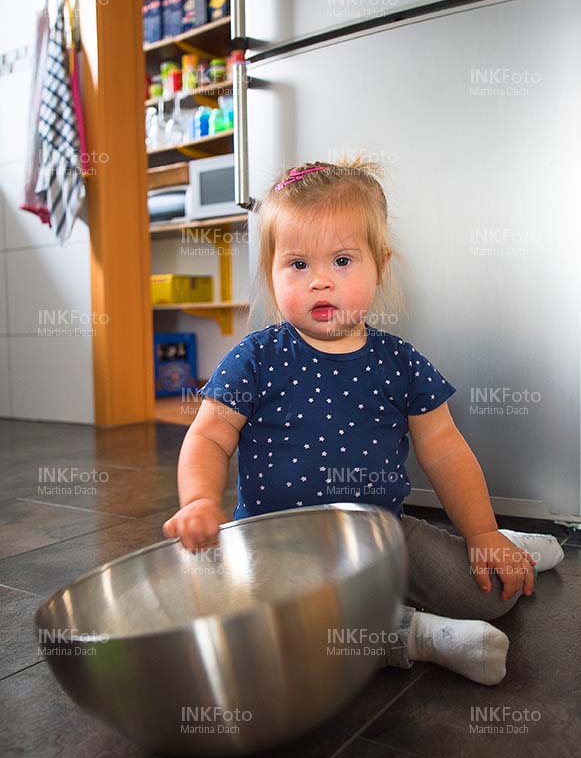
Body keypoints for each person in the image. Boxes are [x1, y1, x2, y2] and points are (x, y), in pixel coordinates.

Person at [163, 157, 564, 686]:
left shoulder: (399, 362)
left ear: (381, 262)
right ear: (272, 271)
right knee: (250, 626)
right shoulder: (256, 357)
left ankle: (500, 543)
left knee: (485, 597)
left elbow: (445, 451)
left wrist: (482, 530)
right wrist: (198, 501)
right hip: (277, 548)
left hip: (380, 535)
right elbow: (209, 437)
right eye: (298, 265)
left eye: (344, 261)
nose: (320, 281)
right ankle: (416, 637)